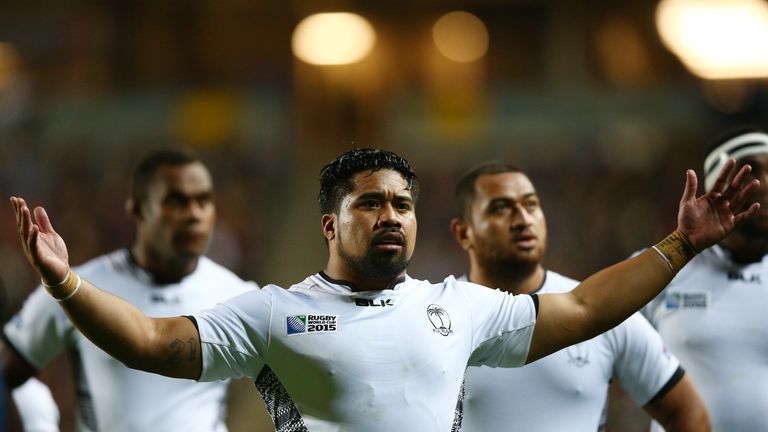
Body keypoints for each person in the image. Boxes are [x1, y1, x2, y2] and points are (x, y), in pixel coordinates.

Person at [8, 148, 760, 432]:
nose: (391, 215)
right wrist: (68, 284)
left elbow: (590, 307)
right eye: (370, 203)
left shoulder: (455, 307)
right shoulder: (275, 312)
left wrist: (682, 244)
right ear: (329, 225)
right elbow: (150, 341)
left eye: (401, 203)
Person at [2, 150, 256, 432]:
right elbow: (8, 371)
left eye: (203, 200)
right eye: (176, 201)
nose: (194, 214)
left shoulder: (239, 295)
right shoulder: (73, 289)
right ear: (137, 210)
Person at [448, 162, 710, 431]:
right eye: (501, 208)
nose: (523, 219)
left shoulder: (605, 312)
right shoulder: (441, 318)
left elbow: (689, 415)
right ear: (463, 232)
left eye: (531, 205)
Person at [643, 127, 768, 432]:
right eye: (753, 171)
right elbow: (601, 347)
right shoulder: (663, 266)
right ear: (715, 186)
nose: (767, 184)